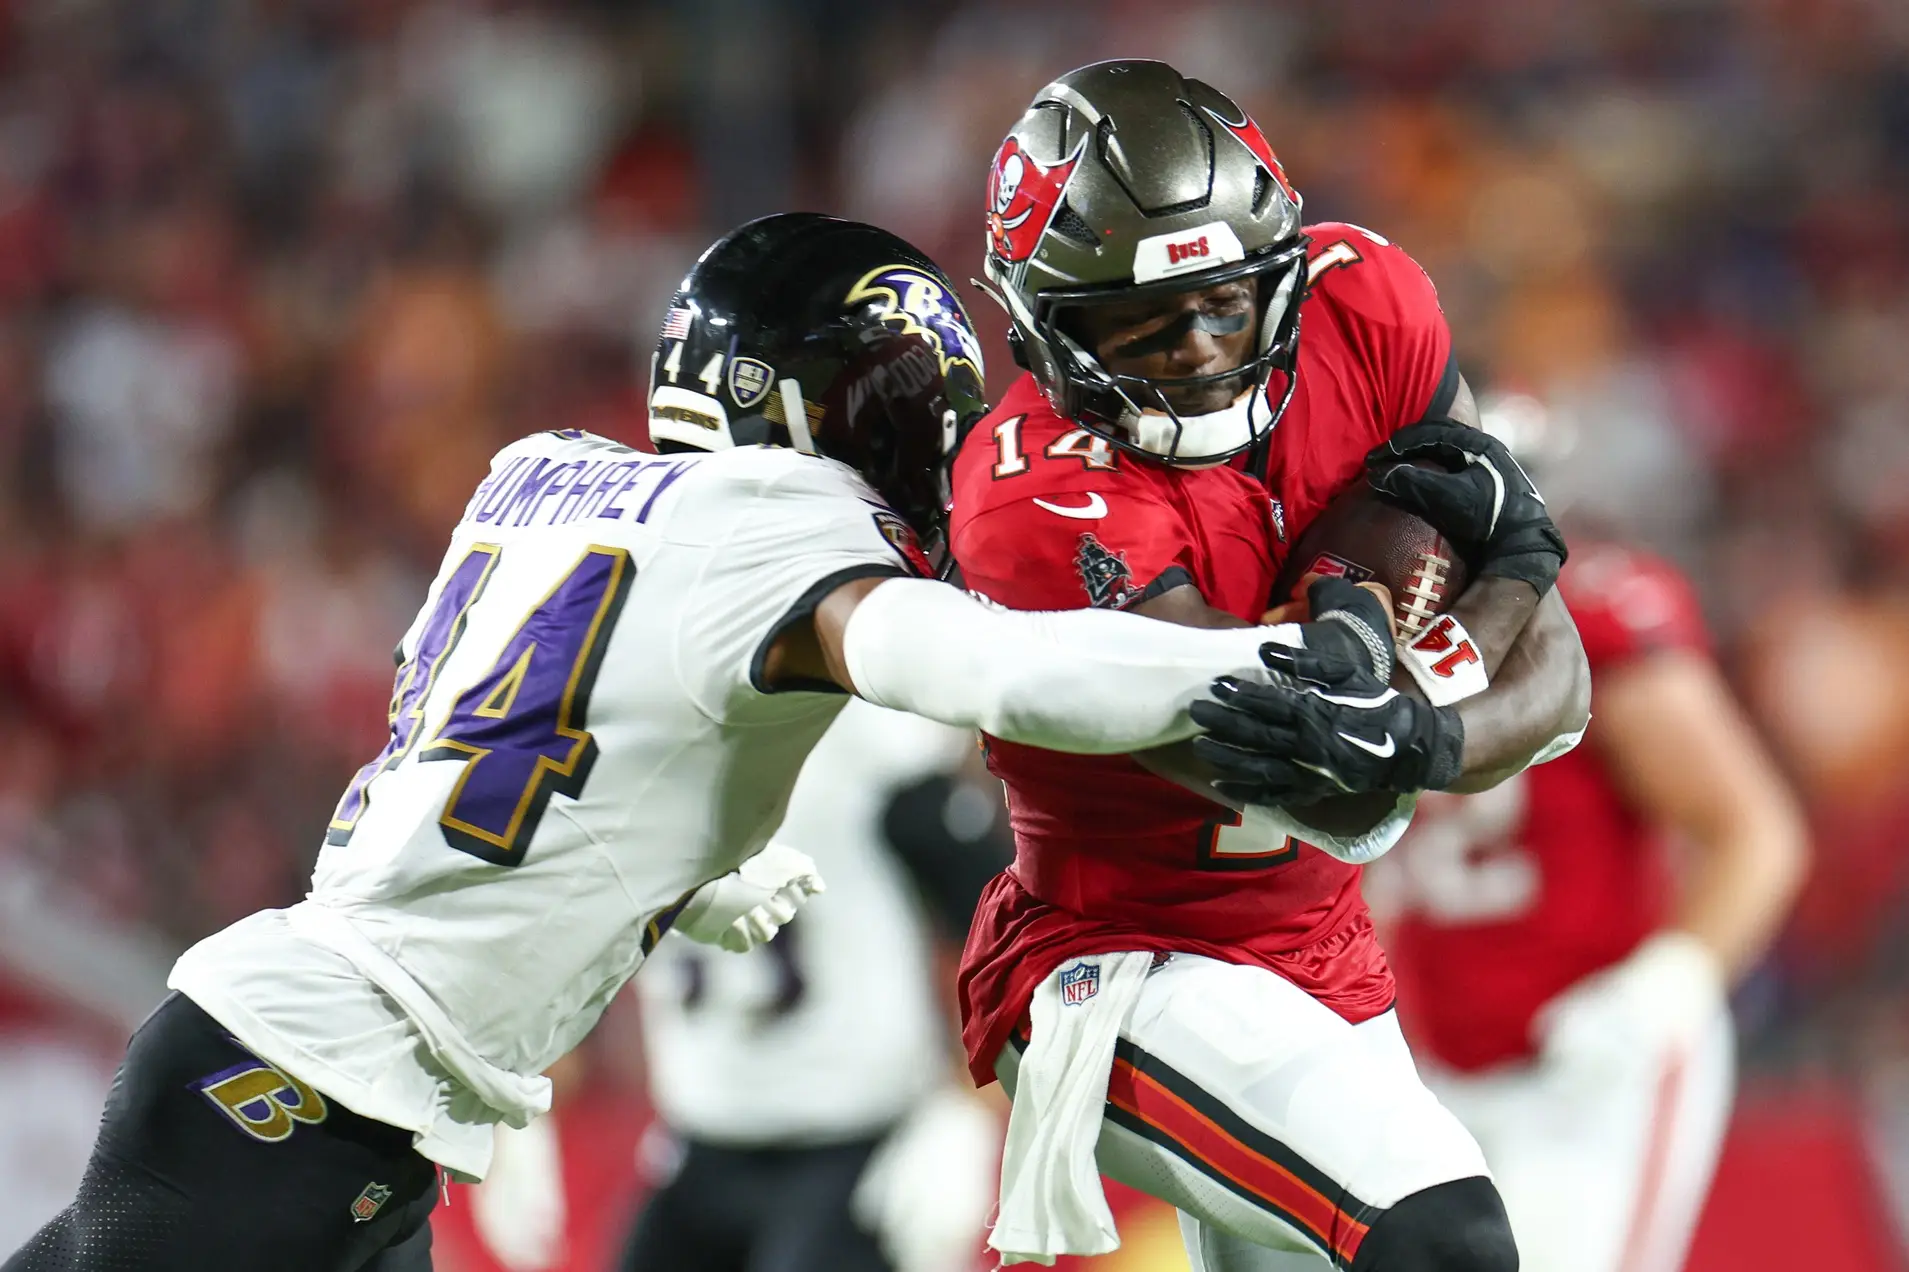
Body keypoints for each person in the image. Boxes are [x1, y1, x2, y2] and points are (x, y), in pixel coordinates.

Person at [2, 214, 1393, 1272]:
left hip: (319, 1079)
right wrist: (1258, 660)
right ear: (793, 404)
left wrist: (674, 858)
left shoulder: (541, 478)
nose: (920, 440)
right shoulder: (776, 525)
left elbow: (491, 735)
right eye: (893, 402)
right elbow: (996, 668)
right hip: (305, 1089)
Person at [950, 60, 1590, 1270]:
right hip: (1119, 959)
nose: (1194, 350)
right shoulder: (1034, 494)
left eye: (1224, 306)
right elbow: (1331, 789)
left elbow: (1558, 690)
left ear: (1282, 278)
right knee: (1443, 1239)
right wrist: (1500, 582)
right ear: (1041, 325)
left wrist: (1428, 733)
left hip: (1321, 954)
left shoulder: (1366, 305)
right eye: (1137, 320)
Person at [1368, 398, 1809, 1272]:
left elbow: (1755, 831)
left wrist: (1662, 989)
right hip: (1437, 1068)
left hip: (1588, 1065)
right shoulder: (1359, 631)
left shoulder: (1598, 614)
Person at [620, 699, 1006, 1272]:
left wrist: (971, 1114)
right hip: (701, 1133)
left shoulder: (863, 741)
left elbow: (997, 928)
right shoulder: (619, 740)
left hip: (856, 1140)